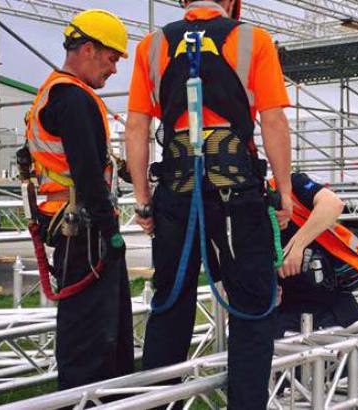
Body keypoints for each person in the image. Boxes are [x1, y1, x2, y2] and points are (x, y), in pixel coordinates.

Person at [123, 0, 293, 407]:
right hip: (236, 193)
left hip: (176, 191)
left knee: (170, 305)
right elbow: (273, 120)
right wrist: (284, 191)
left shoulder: (152, 45)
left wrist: (143, 199)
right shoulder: (253, 39)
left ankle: (156, 404)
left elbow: (136, 126)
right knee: (251, 307)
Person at [22, 9, 133, 389]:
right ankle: (86, 398)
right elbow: (87, 174)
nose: (114, 69)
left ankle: (104, 395)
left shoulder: (56, 93)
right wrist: (110, 230)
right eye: (111, 58)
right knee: (93, 335)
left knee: (99, 327)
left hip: (73, 227)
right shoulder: (73, 99)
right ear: (88, 49)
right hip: (85, 230)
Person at [273, 173, 358, 336]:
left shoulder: (290, 184)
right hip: (280, 307)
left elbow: (332, 203)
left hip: (329, 303)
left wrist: (296, 247)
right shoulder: (241, 202)